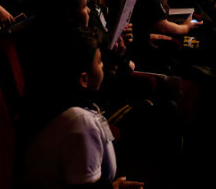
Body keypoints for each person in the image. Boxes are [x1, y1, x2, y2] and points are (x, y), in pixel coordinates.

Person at [24, 27, 144, 189]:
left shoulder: (74, 105)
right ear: (84, 79)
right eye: (100, 61)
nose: (103, 66)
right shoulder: (81, 123)